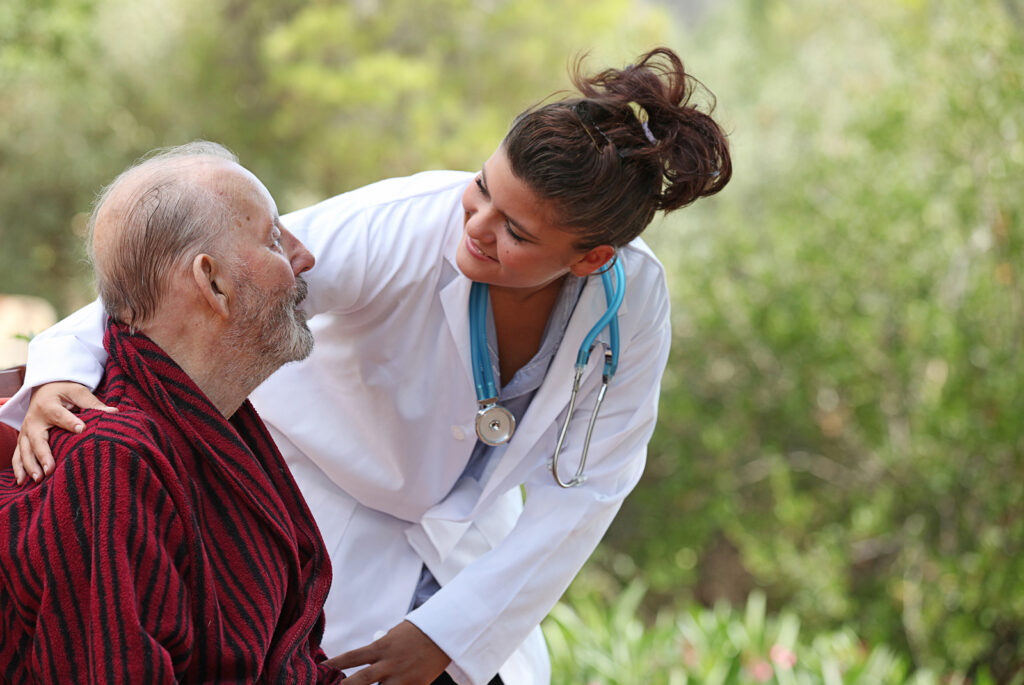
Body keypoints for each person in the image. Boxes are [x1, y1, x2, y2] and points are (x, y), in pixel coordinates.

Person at [1, 47, 731, 684]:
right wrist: (60, 367)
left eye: (513, 230)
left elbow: (593, 487)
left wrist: (449, 635)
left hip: (462, 553)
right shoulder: (407, 223)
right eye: (482, 188)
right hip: (308, 501)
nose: (474, 227)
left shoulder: (632, 302)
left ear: (591, 258)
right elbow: (196, 278)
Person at [0, 142, 345, 683]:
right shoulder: (111, 461)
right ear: (212, 283)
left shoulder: (221, 423)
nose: (305, 257)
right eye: (275, 239)